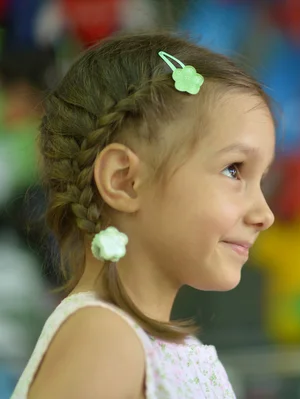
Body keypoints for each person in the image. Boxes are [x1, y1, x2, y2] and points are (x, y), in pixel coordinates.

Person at [11, 32, 275, 399]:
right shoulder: (104, 339)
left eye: (262, 179)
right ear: (125, 180)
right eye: (234, 169)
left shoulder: (148, 344)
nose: (265, 215)